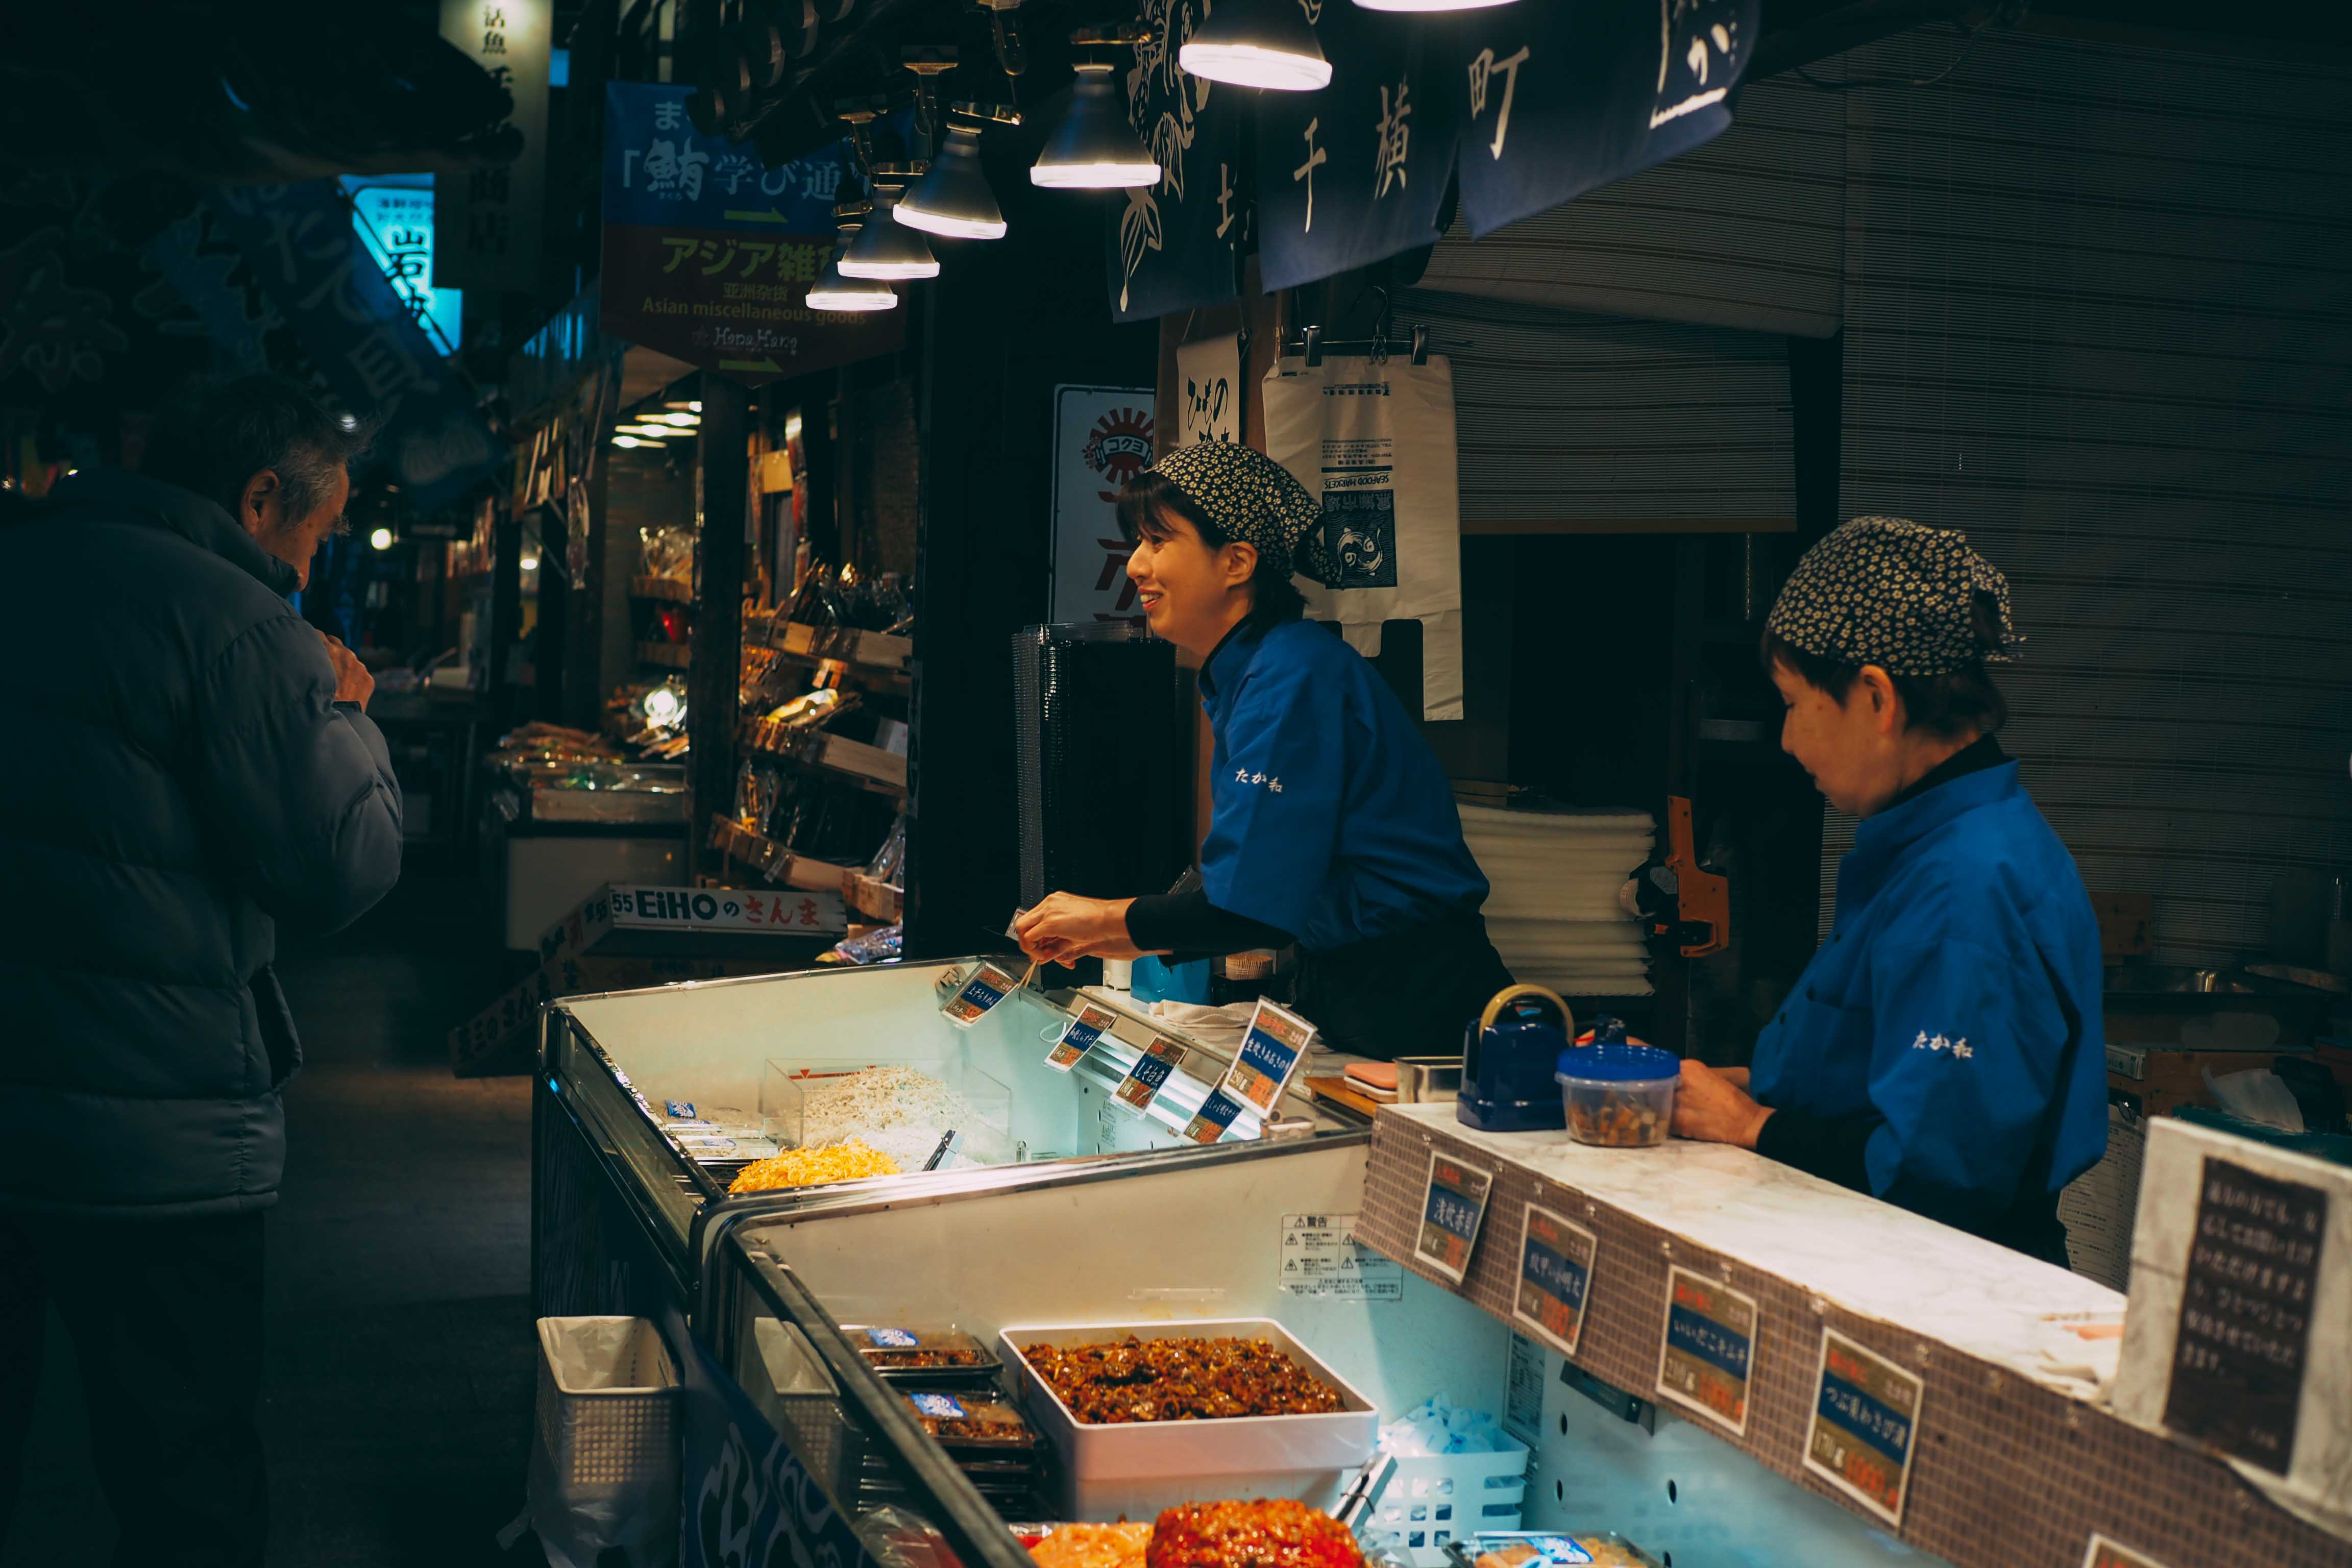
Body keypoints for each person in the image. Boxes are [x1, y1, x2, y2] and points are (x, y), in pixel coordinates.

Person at [0, 375, 403, 1565]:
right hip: (154, 1139)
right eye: (316, 530)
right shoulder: (240, 624)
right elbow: (343, 862)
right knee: (185, 1486)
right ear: (260, 497)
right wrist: (346, 707)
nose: (311, 559)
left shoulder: (20, 561)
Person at [1670, 517, 2105, 1265]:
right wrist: (1730, 1089)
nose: (1786, 740)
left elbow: (1938, 1175)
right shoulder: (1933, 847)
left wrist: (1748, 1124)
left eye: (1793, 702)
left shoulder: (1969, 886)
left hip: (1951, 1285)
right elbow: (1875, 1079)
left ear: (1876, 699)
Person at [1013, 444, 1511, 1060]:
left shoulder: (1292, 675)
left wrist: (1107, 922)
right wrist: (1103, 932)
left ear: (1237, 562)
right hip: (1348, 985)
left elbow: (1251, 911)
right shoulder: (1251, 672)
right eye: (1138, 542)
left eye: (1158, 540)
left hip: (1418, 998)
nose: (1136, 564)